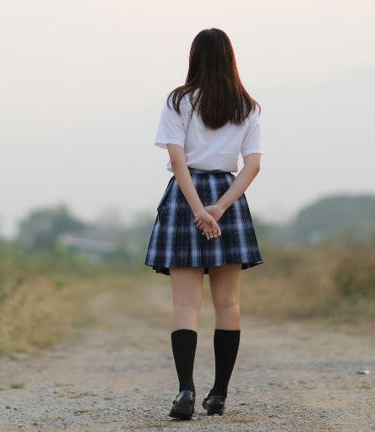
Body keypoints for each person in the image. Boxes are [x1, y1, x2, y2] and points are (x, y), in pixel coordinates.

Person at [144, 28, 264, 420]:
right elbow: (253, 165)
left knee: (184, 304)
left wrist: (198, 209)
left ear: (194, 57)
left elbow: (179, 161)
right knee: (228, 304)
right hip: (227, 199)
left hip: (185, 198)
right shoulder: (246, 106)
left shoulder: (178, 100)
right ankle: (219, 395)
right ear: (230, 58)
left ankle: (185, 391)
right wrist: (220, 208)